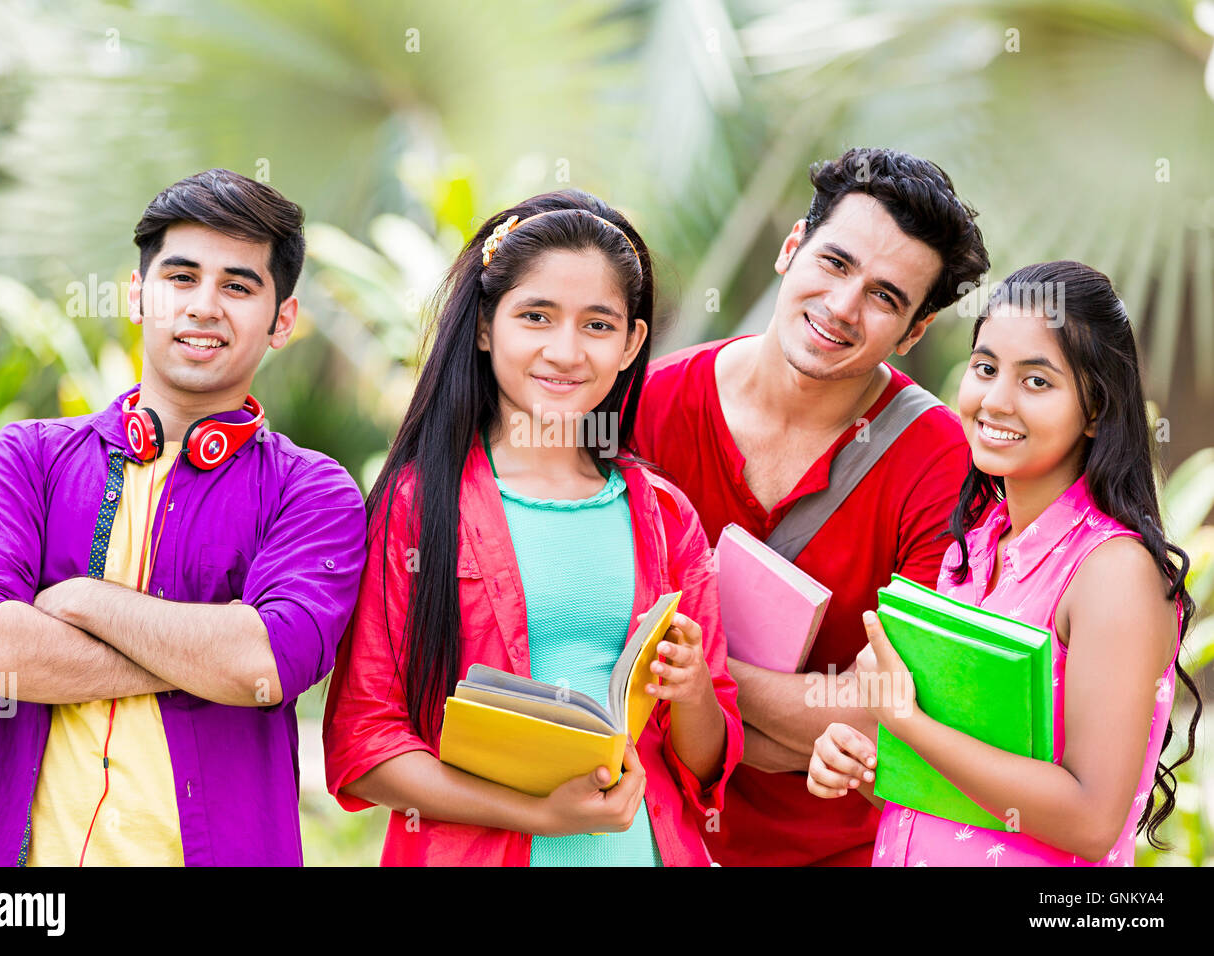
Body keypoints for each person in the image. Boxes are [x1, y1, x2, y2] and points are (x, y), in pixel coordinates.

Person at [0, 169, 367, 866]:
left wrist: (80, 600)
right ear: (138, 295)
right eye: (180, 278)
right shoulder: (29, 459)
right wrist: (199, 654)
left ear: (282, 320)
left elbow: (266, 662)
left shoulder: (311, 492)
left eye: (238, 286)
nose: (204, 306)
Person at [322, 189, 743, 866]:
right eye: (536, 316)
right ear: (487, 325)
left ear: (633, 343)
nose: (566, 350)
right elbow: (364, 745)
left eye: (598, 325)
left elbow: (706, 762)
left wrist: (692, 691)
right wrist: (537, 816)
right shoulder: (417, 505)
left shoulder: (667, 516)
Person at [629, 147, 990, 865]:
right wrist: (785, 731)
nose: (843, 307)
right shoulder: (647, 405)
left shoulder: (941, 461)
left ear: (914, 332)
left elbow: (888, 715)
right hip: (639, 833)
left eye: (886, 297)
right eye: (835, 263)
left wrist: (697, 681)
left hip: (828, 853)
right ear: (792, 247)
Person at [808, 260, 1203, 866]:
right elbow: (959, 785)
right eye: (986, 368)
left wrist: (909, 723)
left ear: (1096, 410)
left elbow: (1092, 820)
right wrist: (863, 757)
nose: (995, 401)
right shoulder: (976, 549)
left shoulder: (1113, 572)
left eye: (1037, 382)